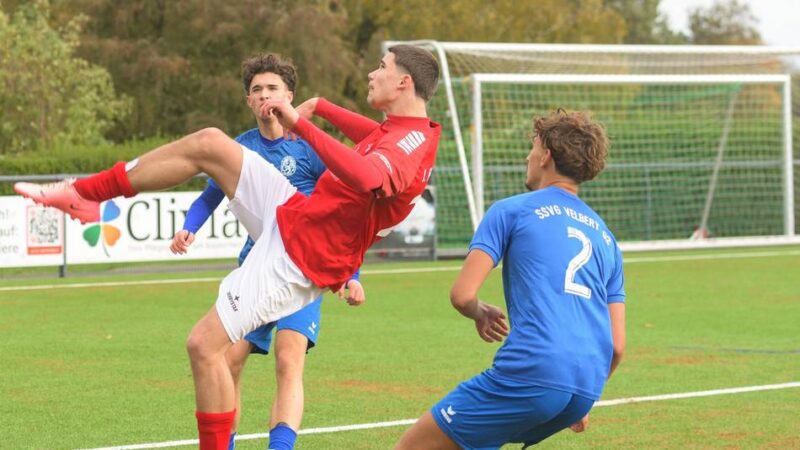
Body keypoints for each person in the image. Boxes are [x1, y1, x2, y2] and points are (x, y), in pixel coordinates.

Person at [15, 44, 441, 450]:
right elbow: (375, 137)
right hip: (295, 215)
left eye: (381, 66)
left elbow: (368, 176)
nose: (372, 72)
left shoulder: (409, 145)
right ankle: (85, 194)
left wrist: (302, 124)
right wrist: (323, 107)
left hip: (302, 257)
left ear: (403, 82)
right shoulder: (409, 132)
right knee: (210, 142)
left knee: (205, 346)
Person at [394, 109, 626, 450]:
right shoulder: (606, 238)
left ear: (546, 155)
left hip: (534, 373)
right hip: (585, 387)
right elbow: (617, 346)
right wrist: (581, 394)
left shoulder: (512, 210)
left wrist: (478, 311)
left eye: (533, 146)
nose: (527, 155)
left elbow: (462, 294)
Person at [168, 53, 365, 450]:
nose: (264, 95)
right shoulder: (240, 148)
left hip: (304, 268)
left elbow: (346, 212)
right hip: (257, 267)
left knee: (288, 359)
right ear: (248, 101)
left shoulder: (310, 146)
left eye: (272, 88)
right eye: (256, 90)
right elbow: (208, 198)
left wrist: (353, 275)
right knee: (226, 361)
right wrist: (188, 228)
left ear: (289, 97)